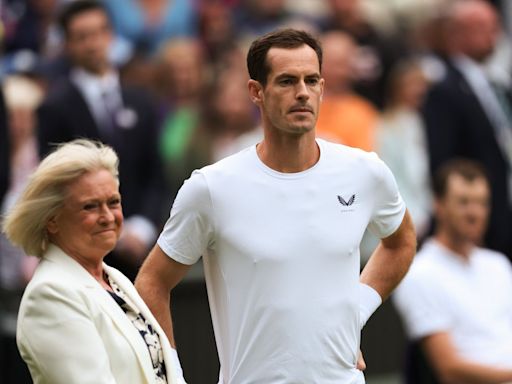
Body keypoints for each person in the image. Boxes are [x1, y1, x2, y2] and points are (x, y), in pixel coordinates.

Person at [135, 28, 416, 383]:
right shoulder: (211, 187)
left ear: (322, 87)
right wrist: (170, 374)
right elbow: (151, 282)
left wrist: (356, 311)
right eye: (286, 81)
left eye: (311, 80)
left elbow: (402, 241)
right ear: (256, 92)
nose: (302, 92)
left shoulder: (365, 172)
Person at [2, 139, 184, 384]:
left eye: (113, 202)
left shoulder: (115, 279)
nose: (108, 217)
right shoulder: (49, 294)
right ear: (52, 220)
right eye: (90, 206)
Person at [37, 0, 166, 281]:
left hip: (143, 251)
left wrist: (142, 227)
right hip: (87, 256)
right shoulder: (54, 107)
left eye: (98, 33)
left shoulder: (141, 100)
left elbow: (154, 172)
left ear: (111, 35)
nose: (93, 43)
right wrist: (114, 232)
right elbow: (57, 185)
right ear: (68, 44)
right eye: (82, 37)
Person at [393, 159, 512, 383]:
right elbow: (449, 370)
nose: (475, 213)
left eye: (482, 203)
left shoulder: (498, 265)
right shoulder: (420, 273)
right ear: (438, 204)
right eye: (464, 202)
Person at [422, 0, 512, 261]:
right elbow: (444, 163)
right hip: (482, 223)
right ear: (456, 33)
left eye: (495, 27)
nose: (494, 35)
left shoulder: (499, 85)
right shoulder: (444, 90)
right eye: (483, 27)